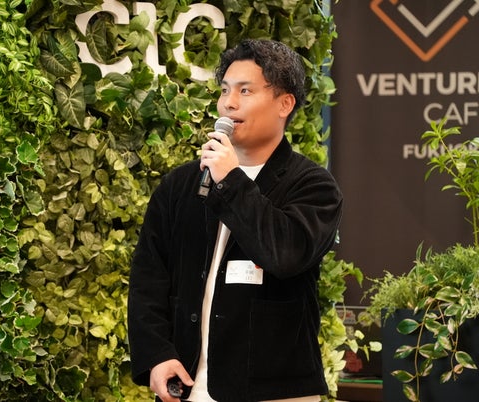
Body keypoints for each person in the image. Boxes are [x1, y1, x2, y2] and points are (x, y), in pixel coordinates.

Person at [128, 39, 343, 402]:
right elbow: (149, 277)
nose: (229, 103)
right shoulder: (181, 184)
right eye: (225, 90)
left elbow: (284, 254)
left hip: (274, 390)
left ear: (285, 104)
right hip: (185, 386)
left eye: (245, 91)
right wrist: (157, 355)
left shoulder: (313, 186)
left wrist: (230, 180)